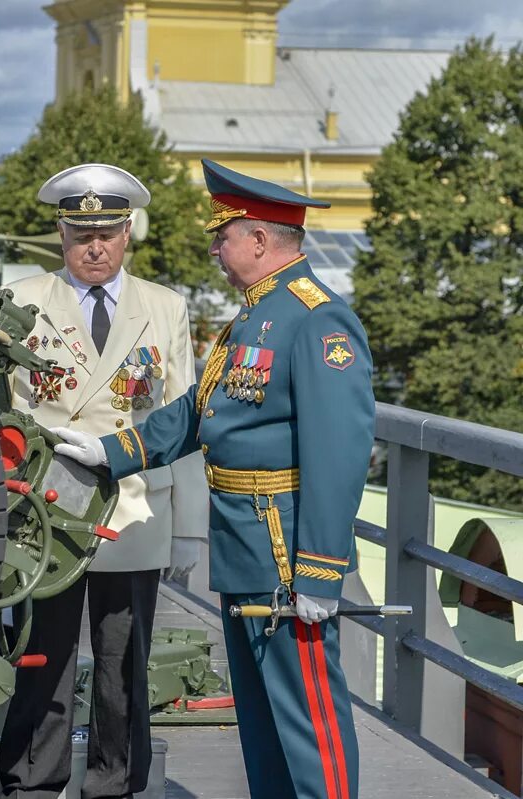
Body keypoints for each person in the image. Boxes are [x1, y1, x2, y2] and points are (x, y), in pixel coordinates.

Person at [54, 159, 374, 799]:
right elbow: (197, 413)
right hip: (245, 546)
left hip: (285, 550)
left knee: (308, 717)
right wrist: (111, 450)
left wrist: (317, 570)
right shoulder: (250, 319)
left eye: (223, 236)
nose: (214, 250)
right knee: (262, 719)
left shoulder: (316, 319)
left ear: (259, 240)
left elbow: (339, 452)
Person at [0, 163, 209, 799]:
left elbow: (187, 418)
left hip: (134, 511)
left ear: (127, 235)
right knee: (43, 658)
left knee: (124, 664)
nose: (95, 247)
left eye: (107, 234)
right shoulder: (24, 301)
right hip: (48, 511)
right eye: (81, 234)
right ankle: (34, 780)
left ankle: (113, 782)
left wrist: (190, 531)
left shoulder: (165, 307)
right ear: (61, 235)